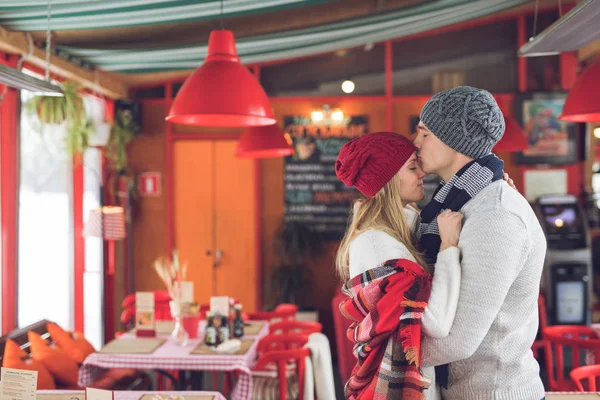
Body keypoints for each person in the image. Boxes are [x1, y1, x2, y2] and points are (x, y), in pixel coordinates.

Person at [414, 86, 546, 400]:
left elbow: (459, 340)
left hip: (497, 393)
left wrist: (381, 348)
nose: (415, 143)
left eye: (425, 134)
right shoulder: (458, 202)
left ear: (453, 141)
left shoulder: (495, 213)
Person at [335, 131, 464, 400]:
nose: (422, 174)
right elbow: (435, 323)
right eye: (412, 167)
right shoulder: (376, 243)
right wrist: (448, 248)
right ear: (389, 180)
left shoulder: (398, 233)